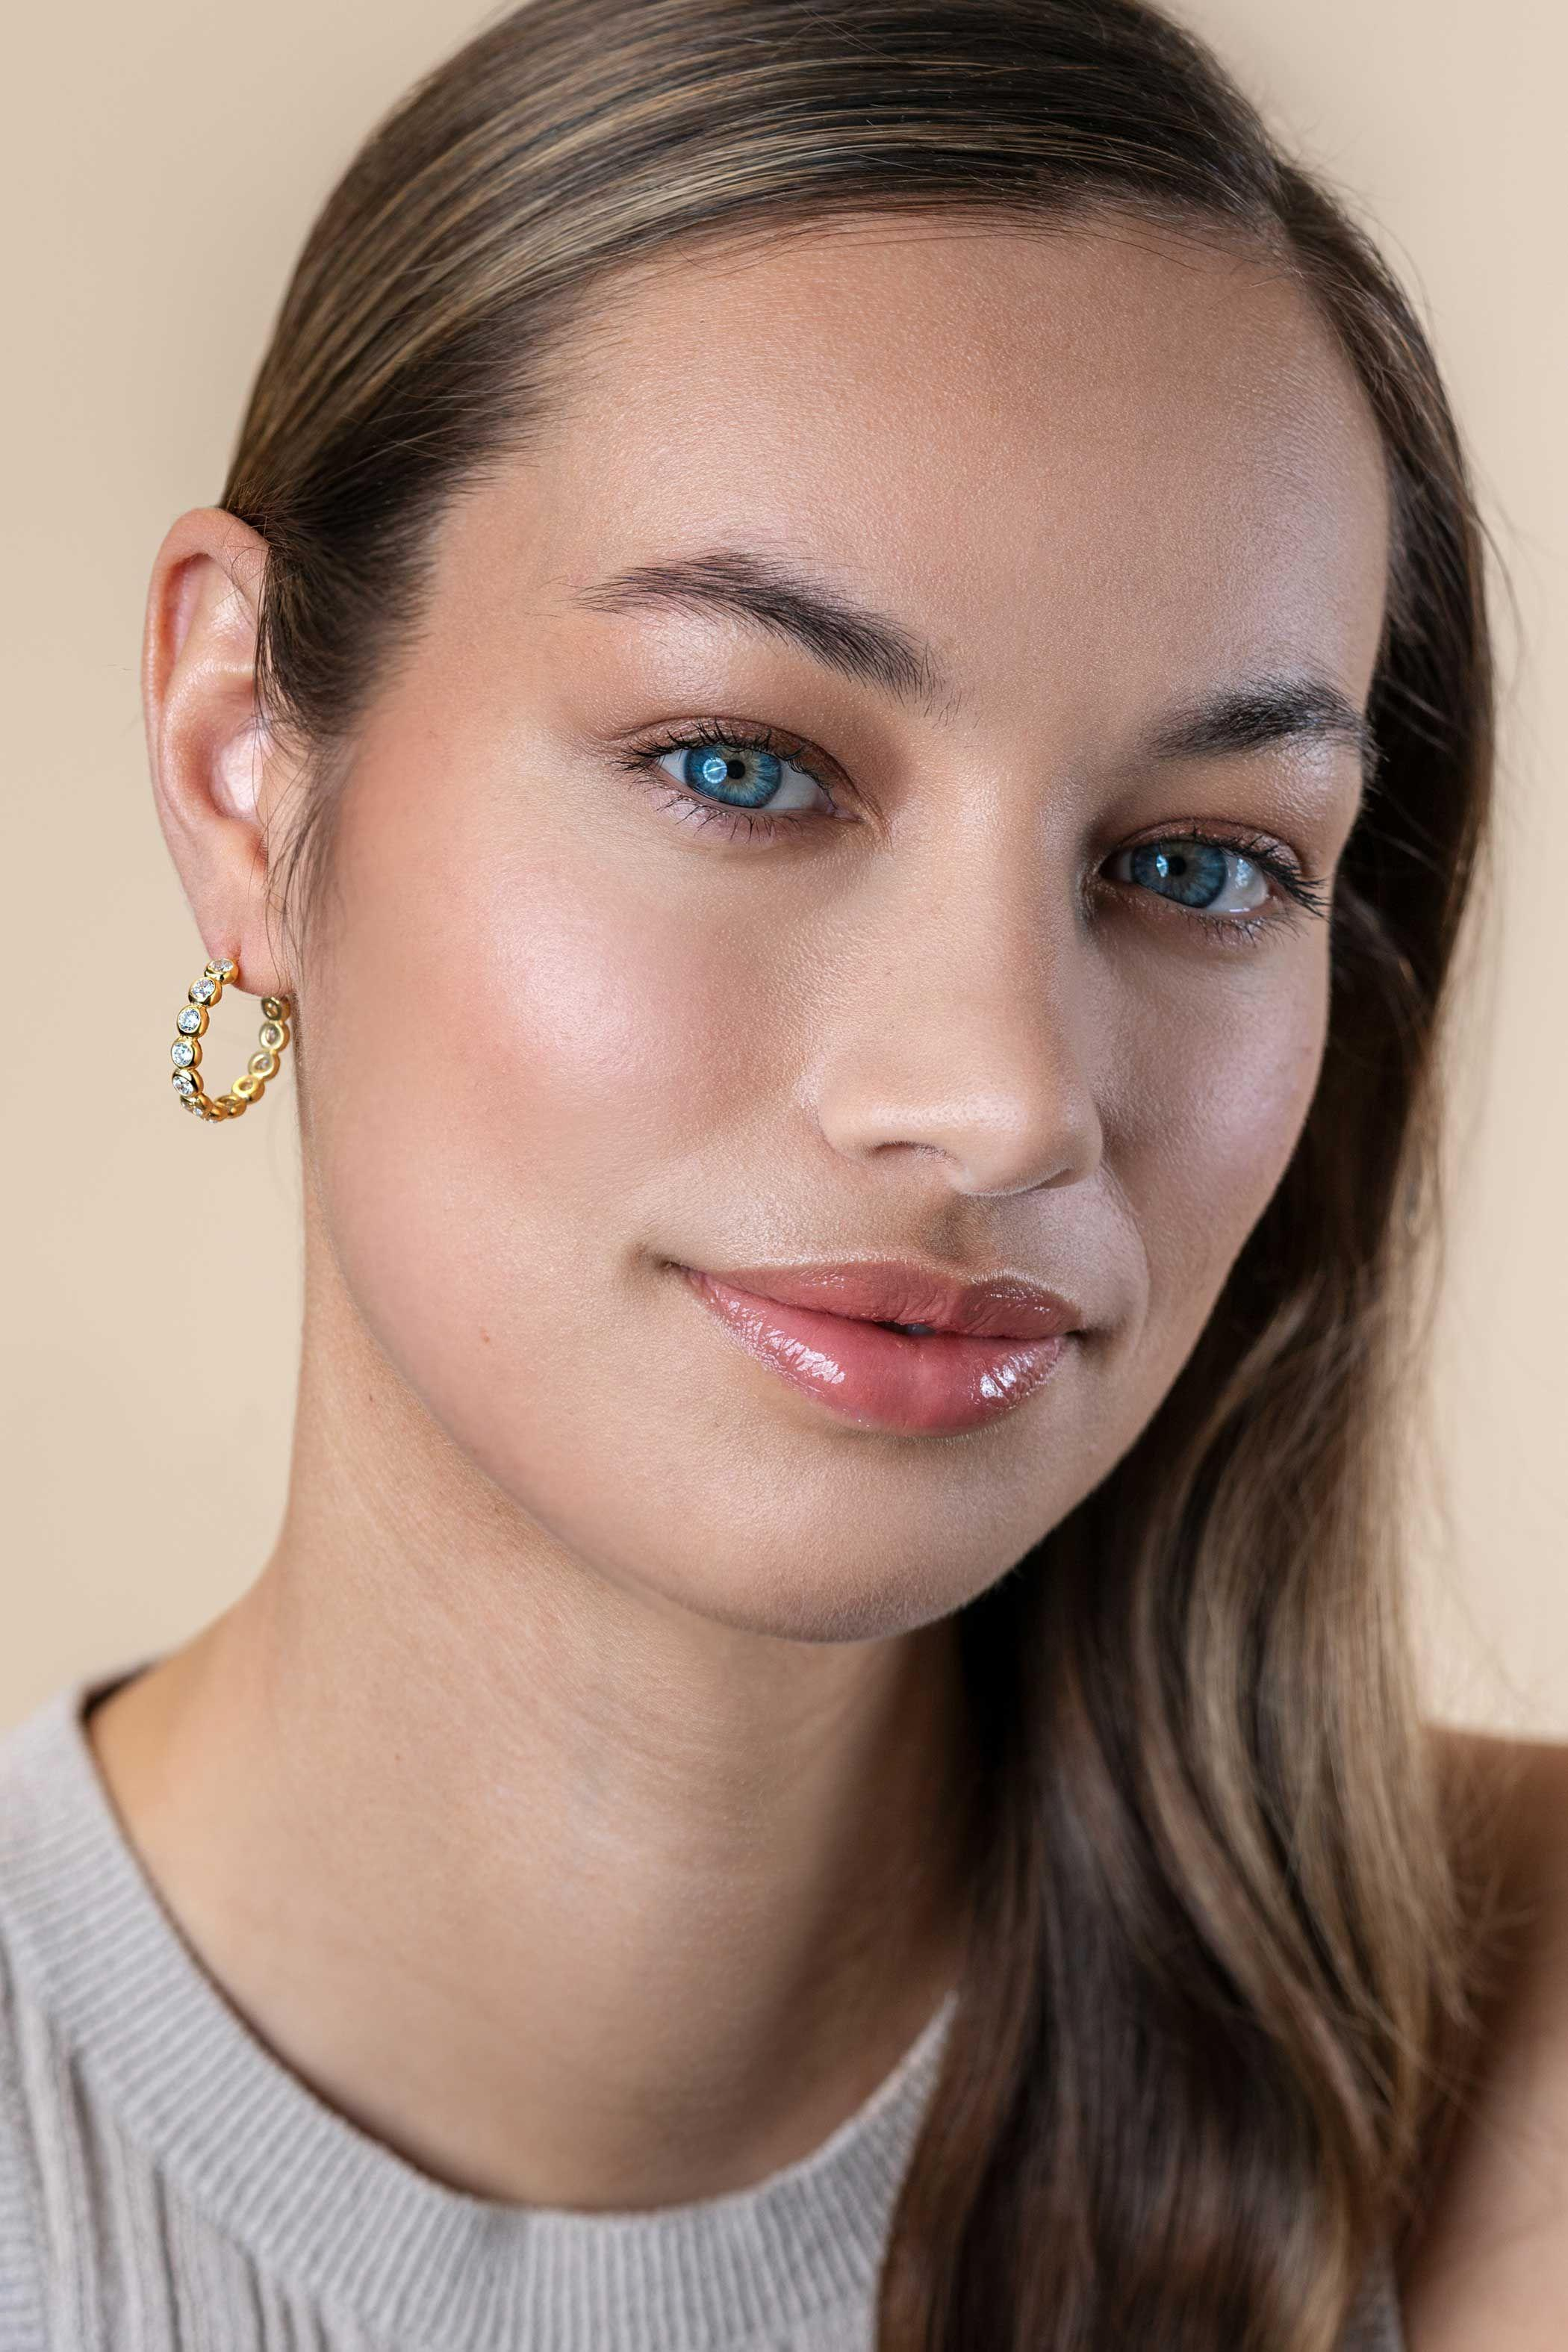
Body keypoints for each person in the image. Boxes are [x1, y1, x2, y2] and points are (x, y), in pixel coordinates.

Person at [1, 1, 1559, 2345]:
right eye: (738, 764)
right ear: (244, 758)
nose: (1004, 1098)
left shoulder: (1518, 2091)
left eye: (1198, 864)